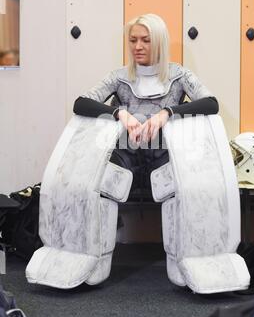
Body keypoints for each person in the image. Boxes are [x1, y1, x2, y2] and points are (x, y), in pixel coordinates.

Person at [73, 13, 219, 199]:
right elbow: (81, 104)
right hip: (126, 159)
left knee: (184, 191)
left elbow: (211, 103)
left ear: (159, 42)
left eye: (146, 40)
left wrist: (167, 112)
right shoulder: (119, 76)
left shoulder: (179, 75)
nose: (138, 47)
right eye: (133, 40)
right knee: (98, 186)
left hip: (165, 159)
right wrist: (120, 114)